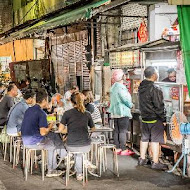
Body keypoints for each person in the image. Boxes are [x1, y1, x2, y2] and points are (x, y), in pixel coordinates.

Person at [21, 89, 67, 177]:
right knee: (51, 145)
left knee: (53, 136)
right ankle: (51, 169)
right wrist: (51, 125)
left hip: (25, 139)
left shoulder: (29, 110)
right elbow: (43, 133)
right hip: (33, 141)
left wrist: (49, 118)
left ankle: (62, 156)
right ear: (44, 101)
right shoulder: (41, 113)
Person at [59, 92, 95, 181]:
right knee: (80, 152)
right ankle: (81, 168)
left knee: (64, 144)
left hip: (71, 145)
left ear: (71, 102)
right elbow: (93, 129)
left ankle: (74, 167)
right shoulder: (87, 113)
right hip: (86, 145)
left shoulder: (67, 113)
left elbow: (60, 130)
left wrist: (69, 129)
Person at [138, 66, 168, 170]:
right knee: (155, 140)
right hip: (155, 118)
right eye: (157, 72)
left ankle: (141, 159)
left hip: (144, 117)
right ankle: (155, 162)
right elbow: (159, 106)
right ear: (154, 75)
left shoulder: (141, 86)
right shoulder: (155, 88)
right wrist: (163, 119)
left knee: (145, 138)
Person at [109, 69, 133, 156]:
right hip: (123, 112)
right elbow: (125, 99)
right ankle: (123, 149)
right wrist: (131, 105)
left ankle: (117, 148)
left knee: (117, 130)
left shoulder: (113, 87)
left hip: (115, 112)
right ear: (122, 77)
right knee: (123, 131)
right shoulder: (121, 87)